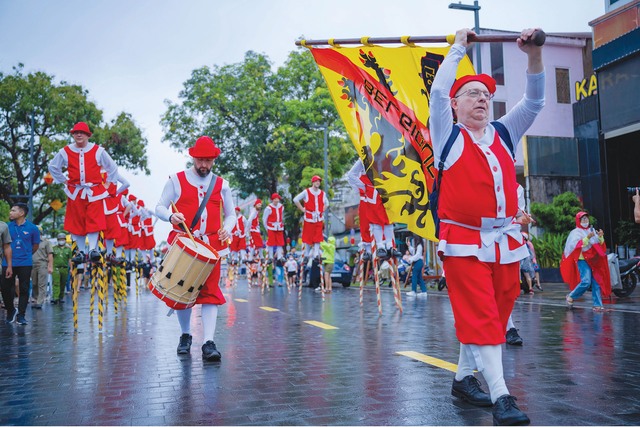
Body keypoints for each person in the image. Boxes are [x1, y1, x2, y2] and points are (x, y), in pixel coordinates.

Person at [429, 28, 545, 425]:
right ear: (456, 104)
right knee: (481, 314)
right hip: (462, 239)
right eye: (473, 93)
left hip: (505, 239)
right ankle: (502, 397)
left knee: (497, 309)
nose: (482, 98)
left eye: (486, 94)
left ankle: (463, 378)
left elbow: (535, 100)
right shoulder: (447, 135)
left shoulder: (503, 133)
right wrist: (458, 46)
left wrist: (533, 55)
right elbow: (435, 93)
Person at [155, 136, 236, 361]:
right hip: (184, 243)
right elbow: (159, 207)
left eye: (208, 161)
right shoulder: (176, 180)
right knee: (183, 291)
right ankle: (185, 335)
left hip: (212, 247)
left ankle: (208, 342)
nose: (204, 165)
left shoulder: (222, 184)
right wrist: (171, 216)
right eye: (200, 160)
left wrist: (227, 229)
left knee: (211, 294)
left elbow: (231, 215)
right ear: (193, 158)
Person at [48, 122, 120, 263]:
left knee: (94, 220)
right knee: (76, 222)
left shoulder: (98, 150)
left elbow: (112, 168)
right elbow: (53, 166)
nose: (78, 135)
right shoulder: (66, 151)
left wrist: (107, 183)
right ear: (73, 135)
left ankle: (93, 249)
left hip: (94, 191)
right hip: (75, 191)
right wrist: (64, 180)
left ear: (87, 135)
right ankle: (80, 252)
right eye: (76, 132)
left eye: (82, 132)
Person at [562, 212, 611, 311]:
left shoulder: (591, 230)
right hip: (582, 259)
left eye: (586, 219)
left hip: (593, 260)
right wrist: (587, 238)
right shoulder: (575, 232)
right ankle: (571, 296)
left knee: (596, 281)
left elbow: (598, 244)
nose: (585, 221)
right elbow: (575, 246)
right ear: (578, 221)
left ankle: (597, 304)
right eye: (583, 219)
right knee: (586, 281)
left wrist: (601, 236)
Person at [1, 203, 40, 325]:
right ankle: (11, 310)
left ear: (21, 213)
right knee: (6, 288)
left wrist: (26, 254)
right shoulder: (6, 227)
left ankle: (21, 315)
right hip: (7, 262)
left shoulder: (33, 228)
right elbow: (4, 245)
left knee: (24, 289)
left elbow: (35, 246)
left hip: (25, 263)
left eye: (13, 210)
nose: (10, 212)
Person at [293, 176, 328, 262]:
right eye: (316, 181)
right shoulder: (307, 192)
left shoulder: (322, 193)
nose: (318, 183)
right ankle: (306, 255)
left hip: (318, 219)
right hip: (309, 218)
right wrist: (302, 209)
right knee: (308, 238)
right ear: (313, 182)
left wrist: (322, 210)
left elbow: (327, 203)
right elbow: (295, 199)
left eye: (319, 181)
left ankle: (316, 254)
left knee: (318, 237)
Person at [31, 230, 53, 308]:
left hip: (42, 264)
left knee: (42, 283)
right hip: (32, 264)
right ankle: (37, 299)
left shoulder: (46, 242)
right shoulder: (31, 241)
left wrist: (50, 266)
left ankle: (40, 302)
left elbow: (50, 254)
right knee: (34, 283)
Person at [263, 193, 285, 261]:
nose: (277, 200)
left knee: (280, 242)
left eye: (278, 199)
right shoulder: (268, 208)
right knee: (271, 242)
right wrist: (267, 228)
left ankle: (280, 256)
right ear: (272, 199)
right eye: (275, 199)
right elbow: (264, 219)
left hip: (279, 227)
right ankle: (270, 256)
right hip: (271, 227)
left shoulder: (281, 207)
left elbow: (282, 216)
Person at [51, 233, 72, 304]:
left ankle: (61, 297)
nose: (61, 241)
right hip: (56, 268)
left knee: (63, 283)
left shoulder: (68, 249)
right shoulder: (54, 248)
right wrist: (50, 267)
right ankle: (55, 297)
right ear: (57, 240)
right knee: (56, 283)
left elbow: (70, 260)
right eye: (60, 239)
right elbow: (51, 258)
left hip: (65, 268)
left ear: (65, 240)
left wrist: (71, 269)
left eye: (62, 239)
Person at [0, 221, 12, 308]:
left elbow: (7, 247)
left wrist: (9, 266)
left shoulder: (3, 226)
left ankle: (10, 309)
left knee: (4, 288)